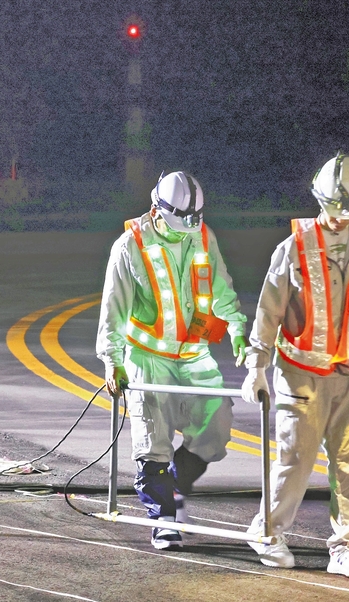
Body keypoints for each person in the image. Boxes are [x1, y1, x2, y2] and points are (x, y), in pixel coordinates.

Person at [242, 152, 349, 578]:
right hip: (300, 374)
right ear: (320, 201)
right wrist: (257, 366)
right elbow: (269, 311)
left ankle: (347, 547)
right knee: (295, 459)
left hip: (348, 377)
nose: (343, 218)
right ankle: (266, 533)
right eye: (336, 208)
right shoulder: (292, 249)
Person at [97, 171, 248, 550]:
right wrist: (112, 360)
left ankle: (174, 489)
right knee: (153, 442)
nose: (188, 229)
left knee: (216, 428)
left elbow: (220, 284)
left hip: (194, 354)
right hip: (148, 358)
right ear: (158, 209)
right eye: (183, 221)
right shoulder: (129, 246)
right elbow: (112, 310)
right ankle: (163, 518)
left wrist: (236, 328)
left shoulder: (201, 234)